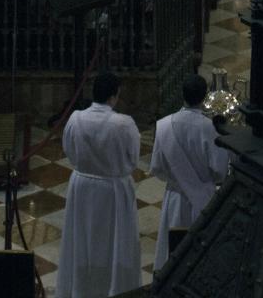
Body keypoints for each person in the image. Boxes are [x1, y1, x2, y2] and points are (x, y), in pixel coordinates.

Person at [56, 70, 142, 298]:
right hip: (113, 190)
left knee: (82, 241)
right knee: (113, 243)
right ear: (114, 96)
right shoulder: (123, 124)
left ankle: (82, 288)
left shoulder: (75, 119)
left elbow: (69, 151)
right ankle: (114, 288)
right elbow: (133, 159)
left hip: (82, 185)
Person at [150, 74, 230, 271]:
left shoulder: (164, 125)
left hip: (175, 199)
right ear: (204, 97)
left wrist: (177, 180)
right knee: (200, 259)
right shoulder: (209, 128)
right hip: (204, 200)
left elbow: (157, 167)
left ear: (182, 94)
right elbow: (220, 171)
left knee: (173, 258)